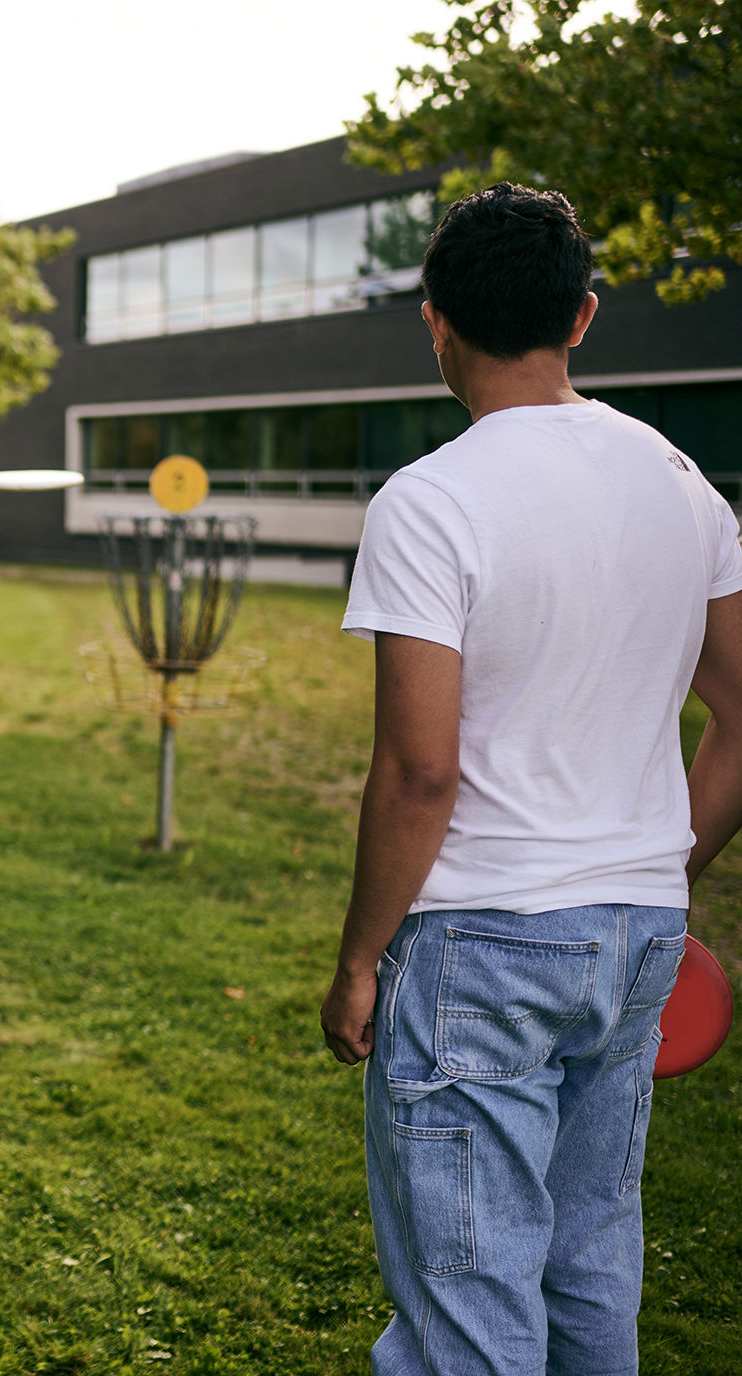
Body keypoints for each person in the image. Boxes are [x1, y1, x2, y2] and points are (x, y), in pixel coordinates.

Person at [321, 183, 742, 1374]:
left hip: (482, 942)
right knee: (589, 1262)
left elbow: (420, 772)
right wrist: (659, 869)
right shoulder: (680, 480)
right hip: (637, 935)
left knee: (470, 1303)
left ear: (436, 321)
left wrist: (358, 961)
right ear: (584, 315)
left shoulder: (430, 500)